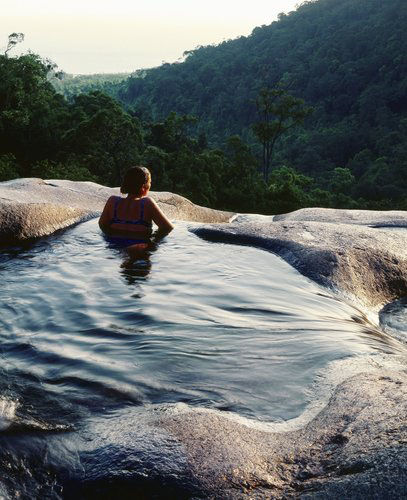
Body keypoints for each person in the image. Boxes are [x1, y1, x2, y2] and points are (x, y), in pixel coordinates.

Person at [99, 166, 174, 258]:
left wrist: (114, 233)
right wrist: (153, 241)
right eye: (150, 182)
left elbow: (102, 225)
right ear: (144, 186)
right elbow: (167, 227)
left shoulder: (113, 201)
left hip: (114, 246)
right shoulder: (147, 203)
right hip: (139, 247)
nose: (150, 185)